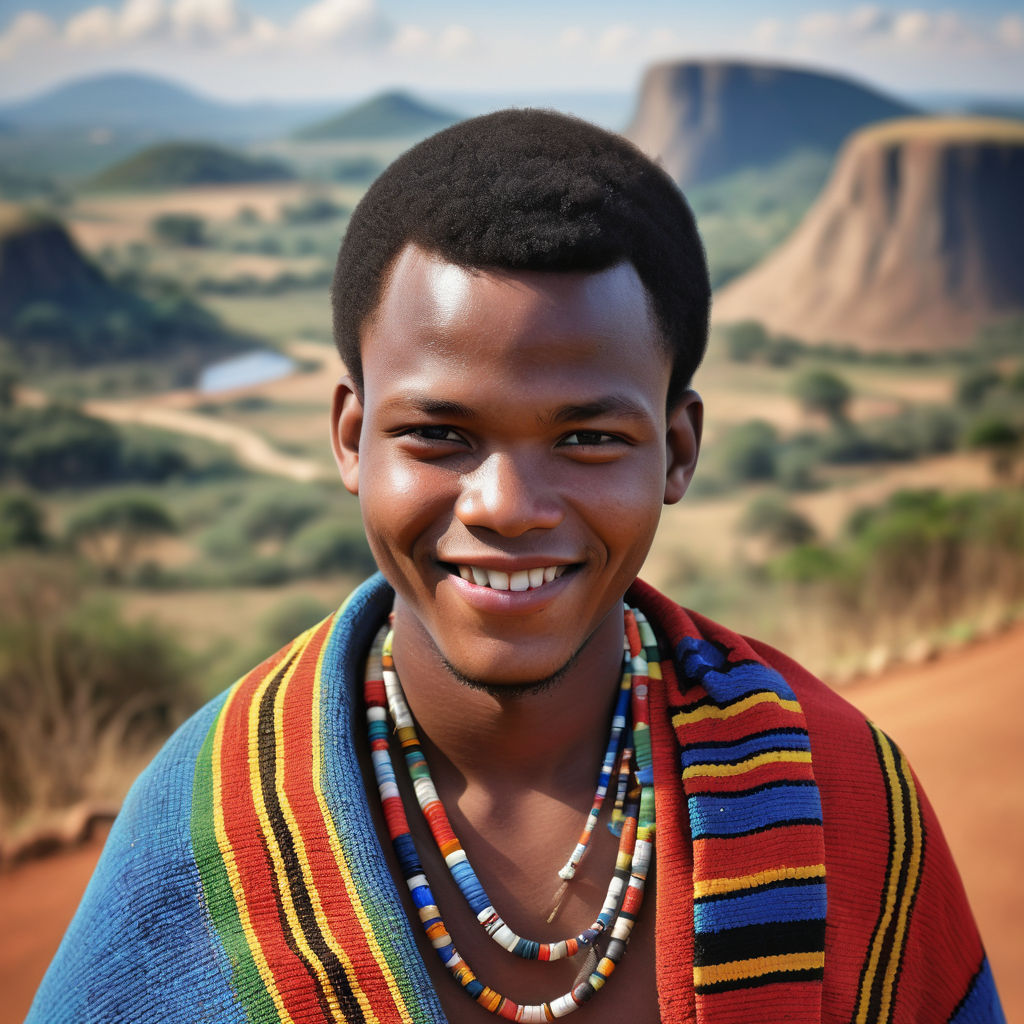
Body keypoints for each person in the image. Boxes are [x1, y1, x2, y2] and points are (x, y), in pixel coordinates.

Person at [29, 110, 1003, 1024]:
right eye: (437, 434)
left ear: (677, 449)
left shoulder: (836, 798)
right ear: (350, 437)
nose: (505, 506)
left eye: (585, 436)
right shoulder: (208, 834)